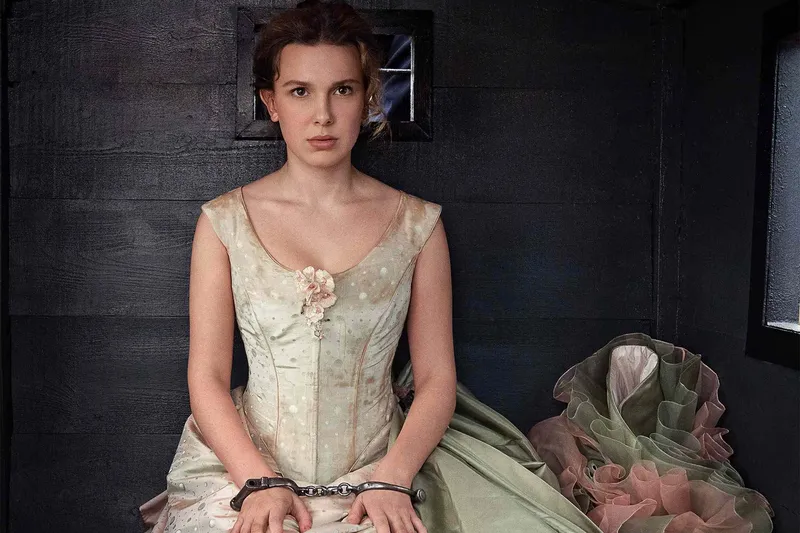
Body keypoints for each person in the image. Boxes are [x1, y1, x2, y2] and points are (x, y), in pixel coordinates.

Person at [137, 1, 603, 532]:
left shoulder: (417, 225)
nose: (323, 115)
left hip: (382, 470)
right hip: (247, 468)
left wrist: (392, 478)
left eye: (342, 90)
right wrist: (257, 481)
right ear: (271, 102)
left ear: (367, 99)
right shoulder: (224, 223)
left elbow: (436, 378)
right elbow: (207, 377)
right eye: (300, 91)